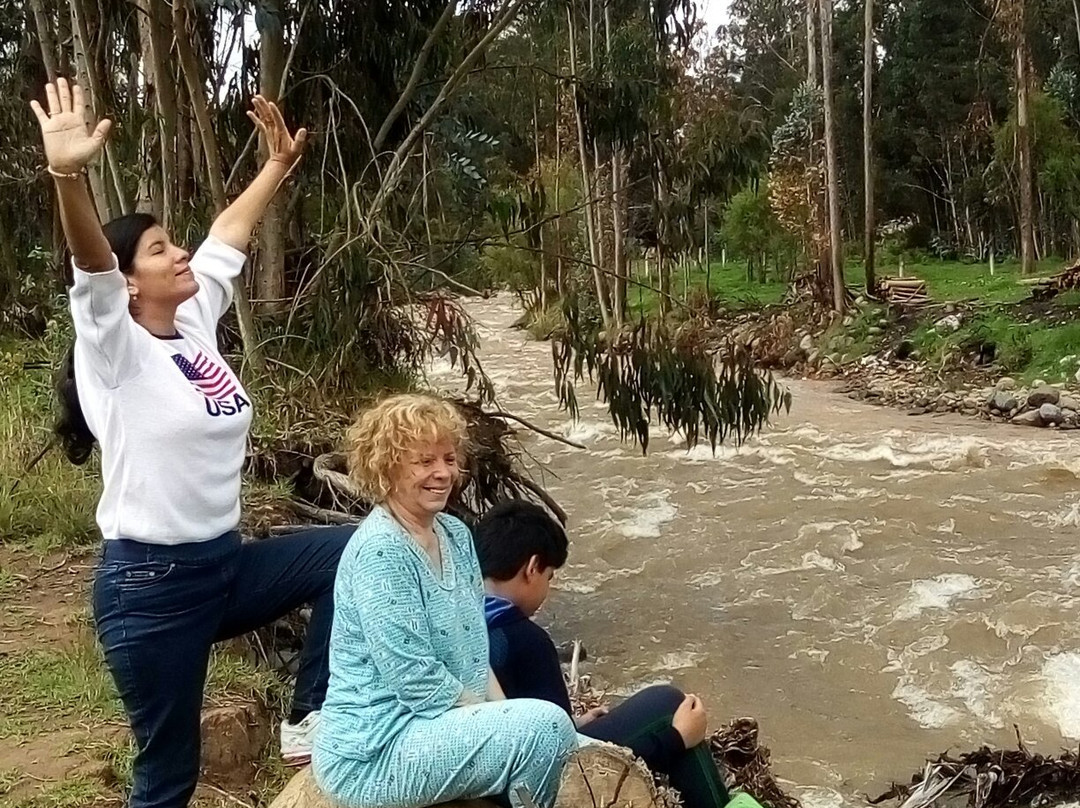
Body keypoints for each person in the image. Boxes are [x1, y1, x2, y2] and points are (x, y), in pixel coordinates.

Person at [30, 79, 355, 808]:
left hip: (224, 566)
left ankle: (308, 720)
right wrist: (66, 175)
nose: (178, 254)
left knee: (354, 550)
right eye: (157, 249)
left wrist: (275, 167)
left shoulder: (193, 322)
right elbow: (89, 262)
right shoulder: (114, 349)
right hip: (150, 590)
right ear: (127, 281)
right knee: (168, 778)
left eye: (172, 242)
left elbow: (225, 239)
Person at [313, 394, 580, 808]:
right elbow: (416, 680)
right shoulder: (381, 552)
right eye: (424, 462)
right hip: (376, 750)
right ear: (387, 467)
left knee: (558, 733)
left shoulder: (455, 535)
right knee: (543, 727)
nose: (442, 473)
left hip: (438, 727)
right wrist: (504, 726)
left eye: (449, 459)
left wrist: (504, 717)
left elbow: (476, 653)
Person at [474, 500, 732, 808]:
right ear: (532, 568)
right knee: (670, 704)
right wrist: (676, 739)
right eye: (550, 577)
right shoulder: (526, 641)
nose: (548, 590)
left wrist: (575, 725)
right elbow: (569, 772)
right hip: (531, 792)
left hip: (489, 775)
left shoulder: (459, 623)